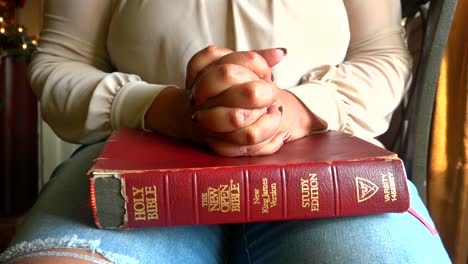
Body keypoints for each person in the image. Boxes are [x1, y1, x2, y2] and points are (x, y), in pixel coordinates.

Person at [0, 0, 451, 263]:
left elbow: (383, 55)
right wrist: (165, 110)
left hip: (325, 161)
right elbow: (61, 59)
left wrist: (296, 110)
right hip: (136, 159)